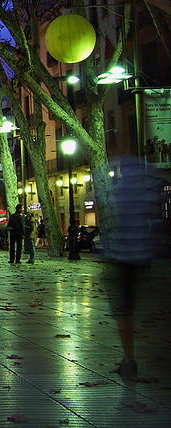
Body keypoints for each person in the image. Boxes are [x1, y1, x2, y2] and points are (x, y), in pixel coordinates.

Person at [100, 157, 167, 377]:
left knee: (125, 310)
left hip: (124, 259)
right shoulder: (149, 189)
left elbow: (118, 223)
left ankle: (129, 360)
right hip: (147, 256)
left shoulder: (123, 191)